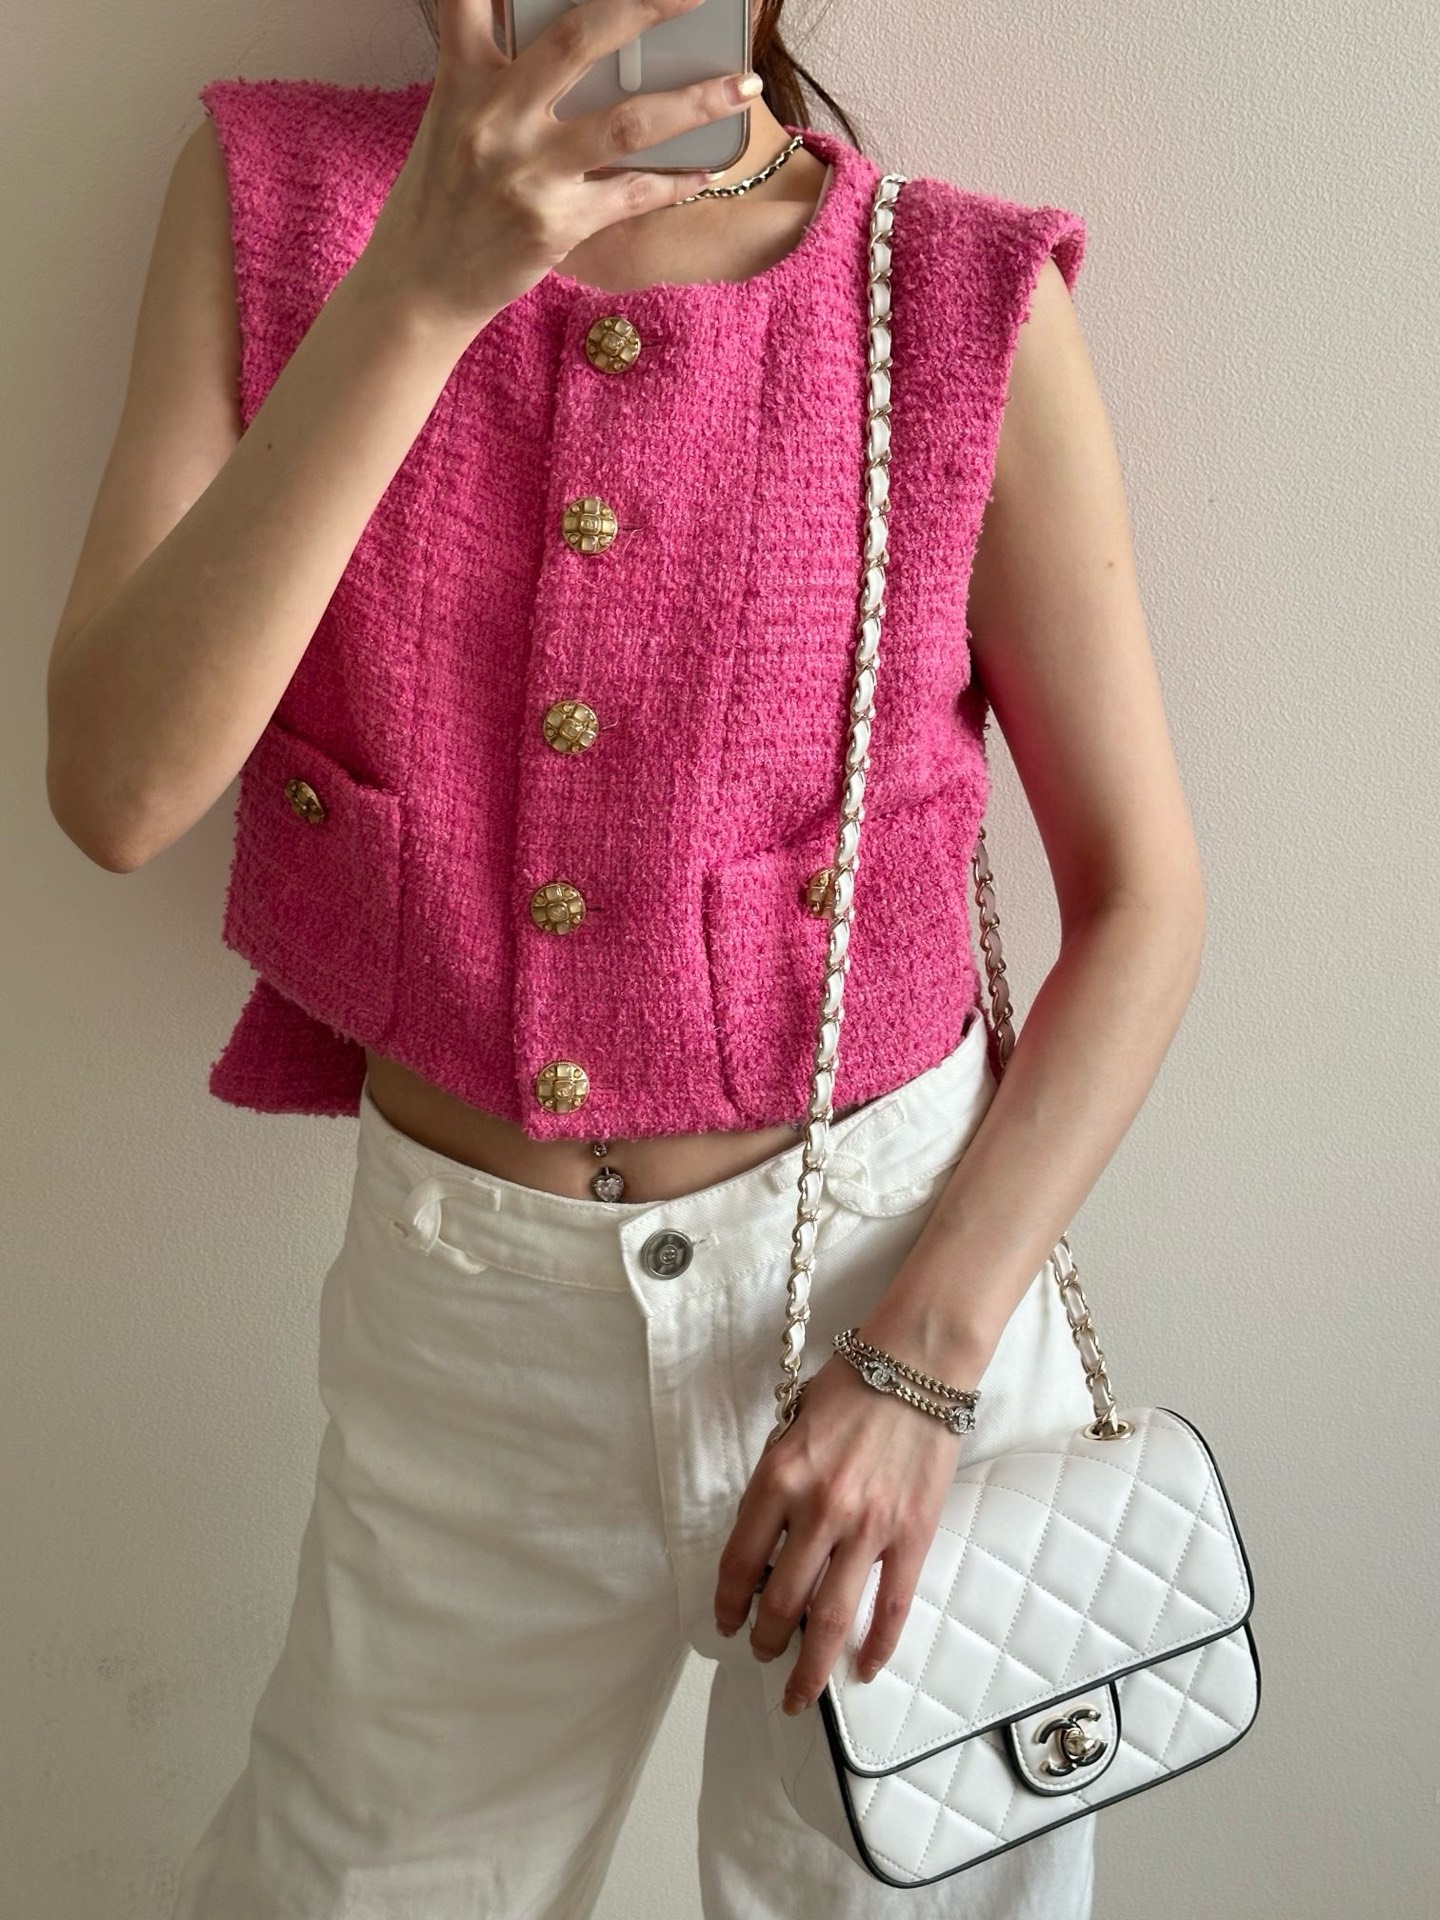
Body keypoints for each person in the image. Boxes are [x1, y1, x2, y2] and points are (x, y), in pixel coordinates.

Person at [45, 0, 1206, 1913]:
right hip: (470, 1327)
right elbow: (117, 788)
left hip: (901, 1295)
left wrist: (921, 1372)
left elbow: (1143, 904)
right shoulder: (278, 199)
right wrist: (423, 285)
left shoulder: (953, 295)